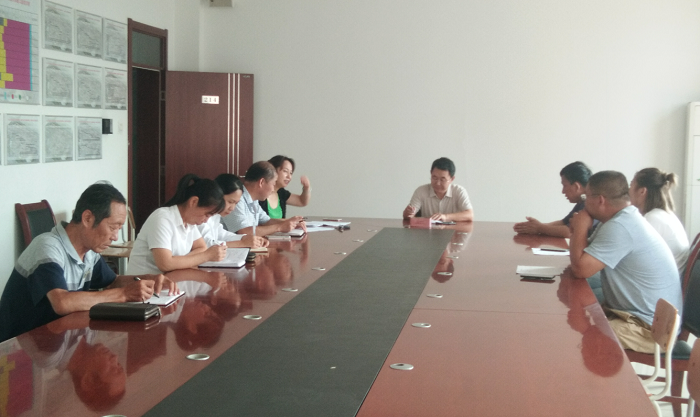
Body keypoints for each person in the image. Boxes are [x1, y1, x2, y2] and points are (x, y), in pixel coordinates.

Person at [0, 183, 176, 343]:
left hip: (56, 340)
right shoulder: (47, 248)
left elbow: (113, 281)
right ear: (87, 218)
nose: (115, 237)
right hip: (16, 351)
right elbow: (62, 302)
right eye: (112, 227)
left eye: (118, 229)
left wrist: (150, 280)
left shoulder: (89, 252)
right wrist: (123, 294)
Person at [569, 170, 682, 353]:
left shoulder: (621, 226)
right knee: (577, 318)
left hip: (649, 329)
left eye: (586, 196)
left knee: (583, 335)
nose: (583, 202)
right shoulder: (619, 219)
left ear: (600, 200)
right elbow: (584, 255)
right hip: (633, 317)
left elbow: (581, 269)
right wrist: (579, 231)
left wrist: (580, 227)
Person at [126, 174, 228, 275]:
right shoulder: (162, 218)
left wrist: (177, 262)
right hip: (143, 282)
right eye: (207, 214)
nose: (206, 221)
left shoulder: (189, 222)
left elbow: (201, 247)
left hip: (169, 280)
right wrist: (206, 256)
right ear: (194, 201)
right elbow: (165, 264)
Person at [629, 168, 690, 274]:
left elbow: (632, 254)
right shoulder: (662, 215)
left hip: (662, 281)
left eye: (631, 185)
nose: (628, 190)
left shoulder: (653, 218)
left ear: (642, 191)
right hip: (667, 277)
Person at [221, 161, 306, 236]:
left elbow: (266, 221)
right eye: (273, 184)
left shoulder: (254, 200)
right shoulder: (237, 199)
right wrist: (279, 227)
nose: (273, 189)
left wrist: (291, 222)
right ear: (261, 182)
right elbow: (244, 231)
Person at [514, 161, 592, 238]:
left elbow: (570, 232)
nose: (563, 191)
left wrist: (539, 228)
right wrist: (534, 226)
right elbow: (563, 222)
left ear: (576, 186)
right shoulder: (581, 202)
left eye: (565, 186)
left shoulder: (590, 204)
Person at [198, 174, 268, 249]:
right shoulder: (202, 215)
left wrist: (245, 238)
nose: (232, 208)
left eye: (236, 203)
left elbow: (221, 234)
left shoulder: (216, 215)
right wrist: (242, 243)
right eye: (230, 202)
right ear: (218, 195)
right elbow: (207, 244)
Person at [402, 157, 474, 222]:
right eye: (434, 178)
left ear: (452, 179)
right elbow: (409, 216)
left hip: (453, 231)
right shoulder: (421, 191)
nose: (438, 183)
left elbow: (470, 215)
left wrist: (446, 217)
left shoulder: (459, 191)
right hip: (427, 231)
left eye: (442, 179)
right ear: (430, 173)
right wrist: (407, 214)